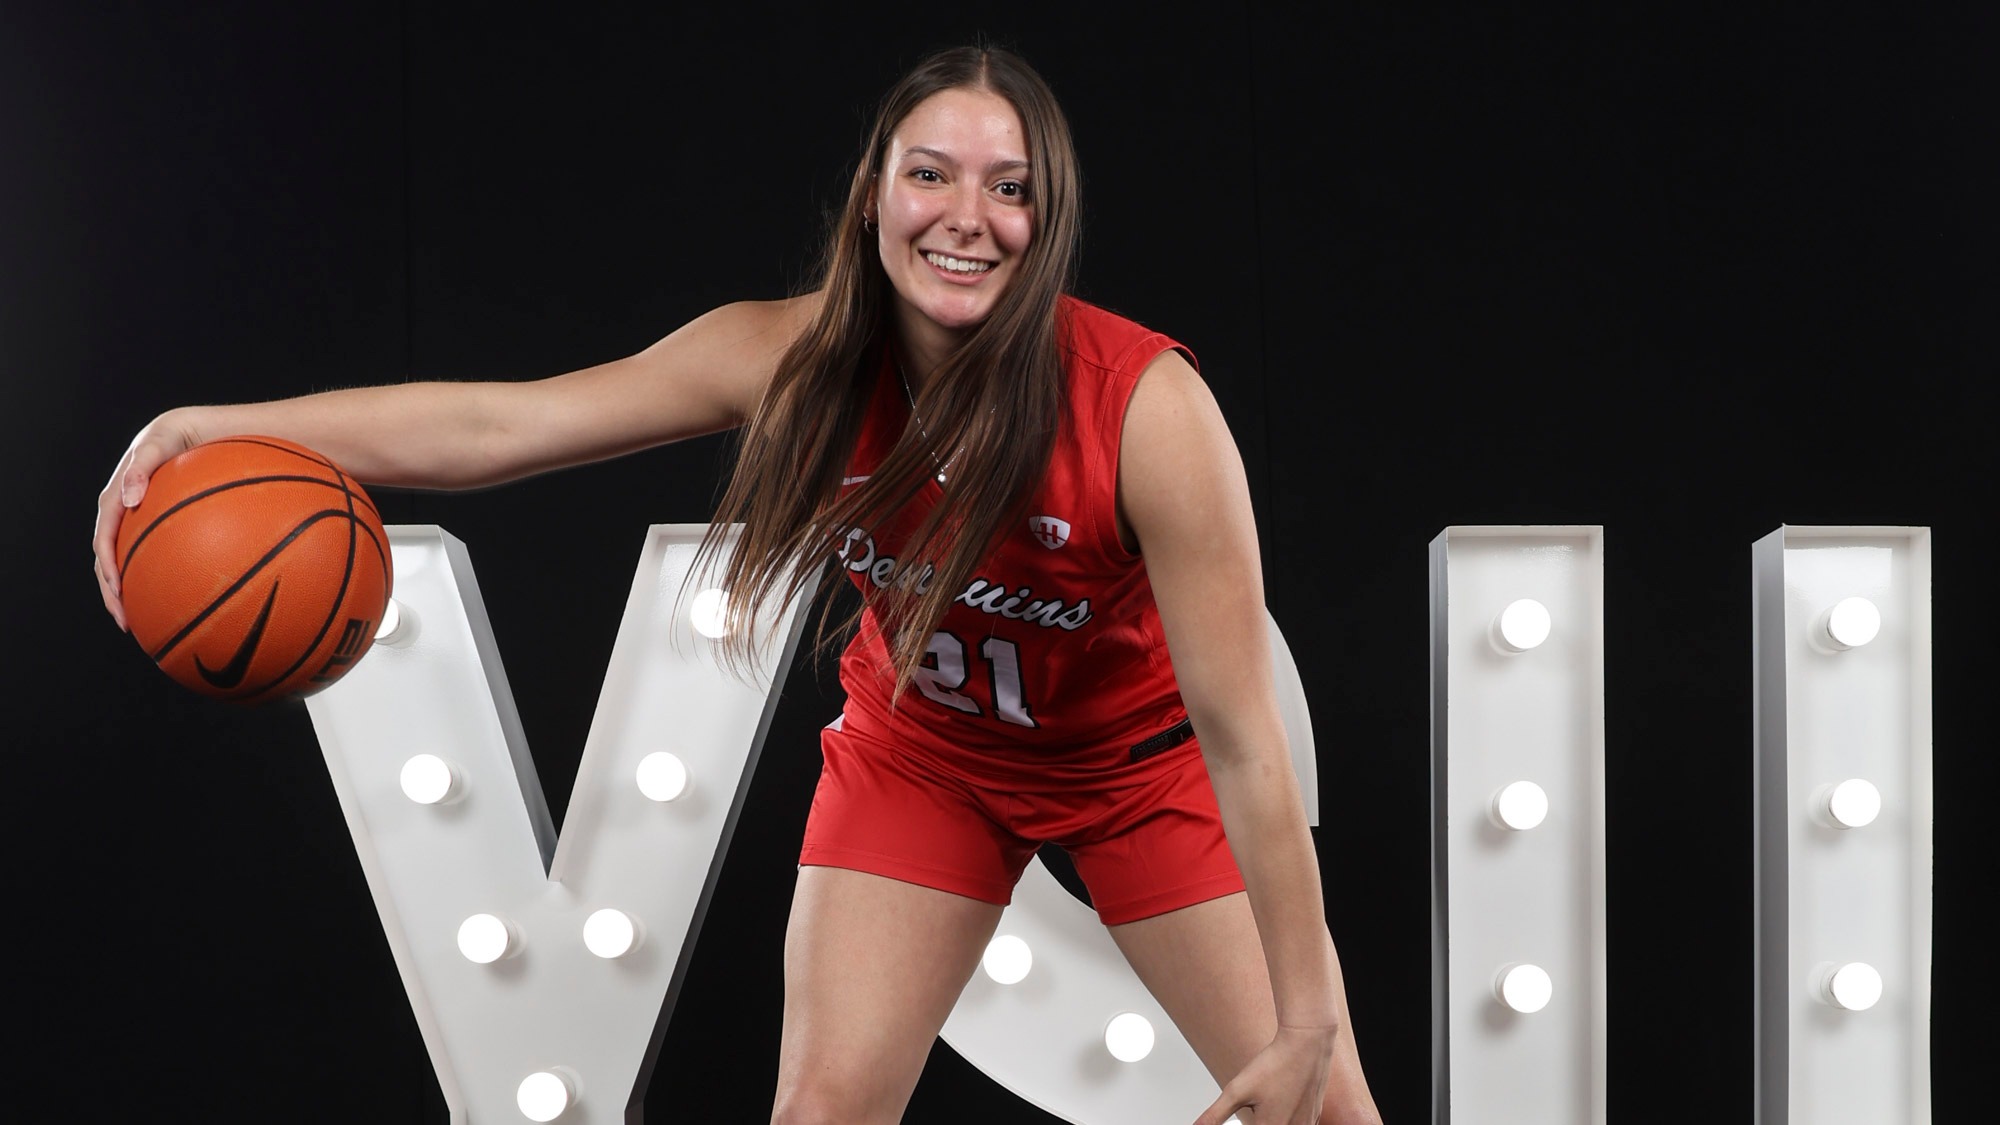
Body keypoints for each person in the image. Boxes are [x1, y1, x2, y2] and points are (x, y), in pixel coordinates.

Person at [92, 45, 1382, 1125]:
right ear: (875, 191)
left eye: (1010, 187)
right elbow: (508, 427)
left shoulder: (1146, 410)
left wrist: (1313, 1012)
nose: (964, 216)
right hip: (925, 757)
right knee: (819, 1111)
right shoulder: (787, 357)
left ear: (1049, 221)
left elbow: (1245, 742)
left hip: (1136, 771)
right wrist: (229, 422)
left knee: (1323, 1109)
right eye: (929, 174)